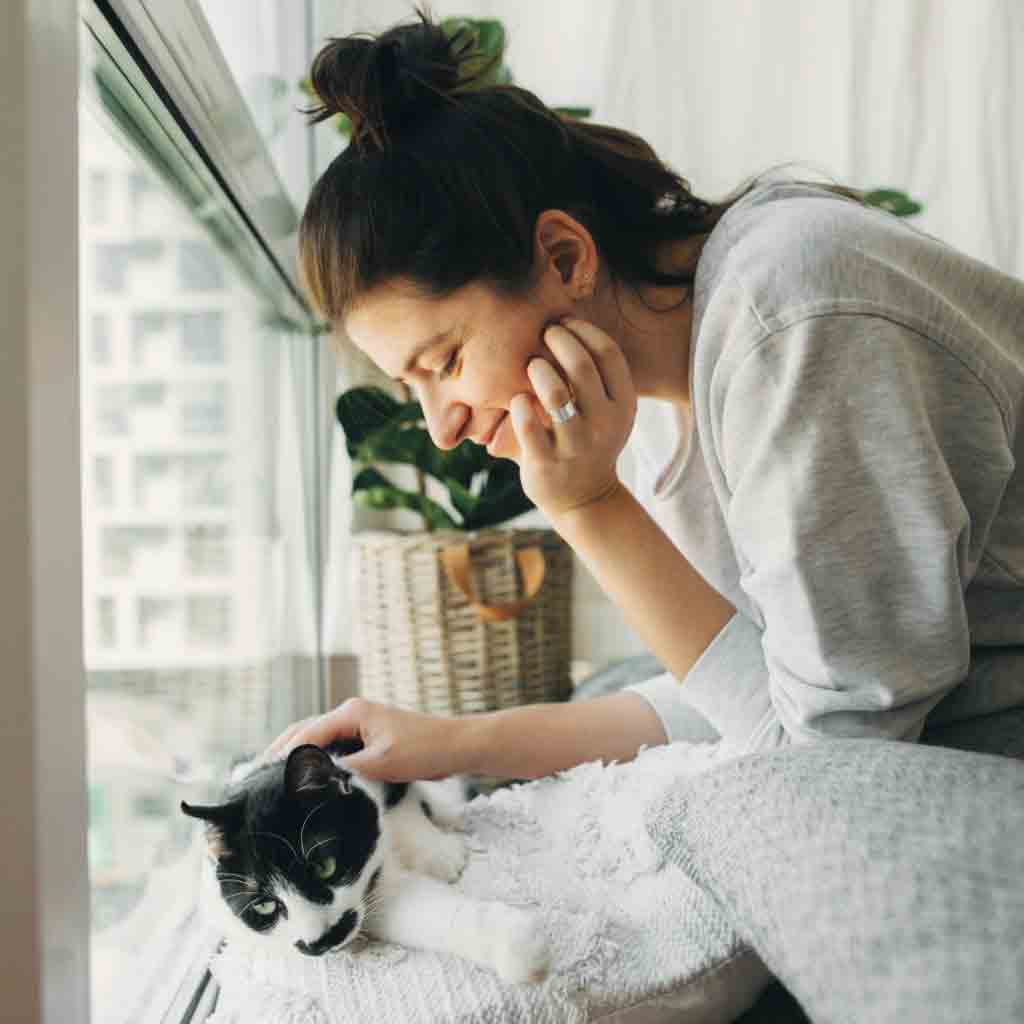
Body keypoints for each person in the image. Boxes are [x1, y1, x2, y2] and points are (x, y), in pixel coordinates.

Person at [268, 9, 1024, 782]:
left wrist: (590, 508)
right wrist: (452, 746)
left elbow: (833, 766)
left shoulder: (790, 324)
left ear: (565, 258)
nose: (442, 427)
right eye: (412, 386)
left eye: (447, 361)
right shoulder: (670, 379)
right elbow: (751, 689)